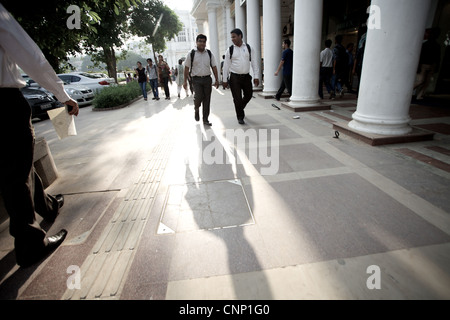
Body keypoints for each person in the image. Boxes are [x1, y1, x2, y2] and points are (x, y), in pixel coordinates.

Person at [0, 3, 79, 267]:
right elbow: (31, 57)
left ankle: (45, 205)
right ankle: (31, 244)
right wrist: (64, 96)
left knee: (14, 162)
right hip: (3, 102)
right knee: (15, 169)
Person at [222, 28, 260, 125]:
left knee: (249, 94)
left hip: (246, 76)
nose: (232, 39)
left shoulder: (248, 48)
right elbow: (225, 66)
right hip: (234, 77)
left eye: (234, 36)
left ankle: (240, 107)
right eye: (231, 37)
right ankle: (240, 116)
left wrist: (256, 76)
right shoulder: (230, 50)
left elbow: (254, 63)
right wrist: (224, 80)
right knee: (237, 98)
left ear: (240, 36)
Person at [183, 34, 219, 126]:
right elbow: (186, 68)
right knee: (198, 97)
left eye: (204, 42)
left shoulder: (209, 54)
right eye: (200, 41)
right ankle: (196, 108)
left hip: (207, 79)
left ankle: (205, 119)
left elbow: (214, 66)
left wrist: (217, 79)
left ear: (205, 43)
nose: (202, 43)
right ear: (196, 42)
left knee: (207, 100)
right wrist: (184, 82)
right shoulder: (191, 53)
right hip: (196, 80)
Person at [414, 27, 441, 100]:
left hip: (431, 65)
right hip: (424, 65)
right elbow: (421, 56)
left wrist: (436, 67)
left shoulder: (436, 46)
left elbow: (437, 58)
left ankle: (419, 96)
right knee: (420, 80)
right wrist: (419, 66)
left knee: (426, 82)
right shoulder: (425, 45)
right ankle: (410, 92)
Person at [332, 35, 347, 99]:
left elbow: (335, 59)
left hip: (336, 67)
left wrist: (334, 68)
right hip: (342, 67)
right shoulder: (343, 48)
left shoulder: (335, 48)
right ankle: (340, 89)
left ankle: (333, 94)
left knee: (333, 80)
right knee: (337, 80)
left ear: (335, 40)